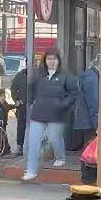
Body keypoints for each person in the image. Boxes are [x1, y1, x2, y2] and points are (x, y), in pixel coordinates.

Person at [23, 48, 76, 181]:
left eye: (54, 59)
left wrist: (62, 104)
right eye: (49, 59)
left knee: (54, 137)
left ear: (58, 61)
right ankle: (31, 170)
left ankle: (60, 157)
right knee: (33, 142)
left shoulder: (66, 75)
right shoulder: (38, 74)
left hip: (57, 114)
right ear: (45, 61)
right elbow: (30, 90)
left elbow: (74, 93)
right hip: (38, 113)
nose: (51, 62)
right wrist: (31, 103)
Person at [74, 55, 100, 142]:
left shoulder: (89, 76)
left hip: (86, 122)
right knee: (90, 152)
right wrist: (98, 125)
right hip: (90, 123)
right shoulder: (92, 79)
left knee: (89, 152)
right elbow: (94, 104)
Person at [11, 63, 29, 156]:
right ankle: (19, 146)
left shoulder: (37, 75)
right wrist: (17, 100)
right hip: (22, 105)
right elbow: (13, 88)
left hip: (34, 106)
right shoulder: (19, 76)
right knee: (21, 126)